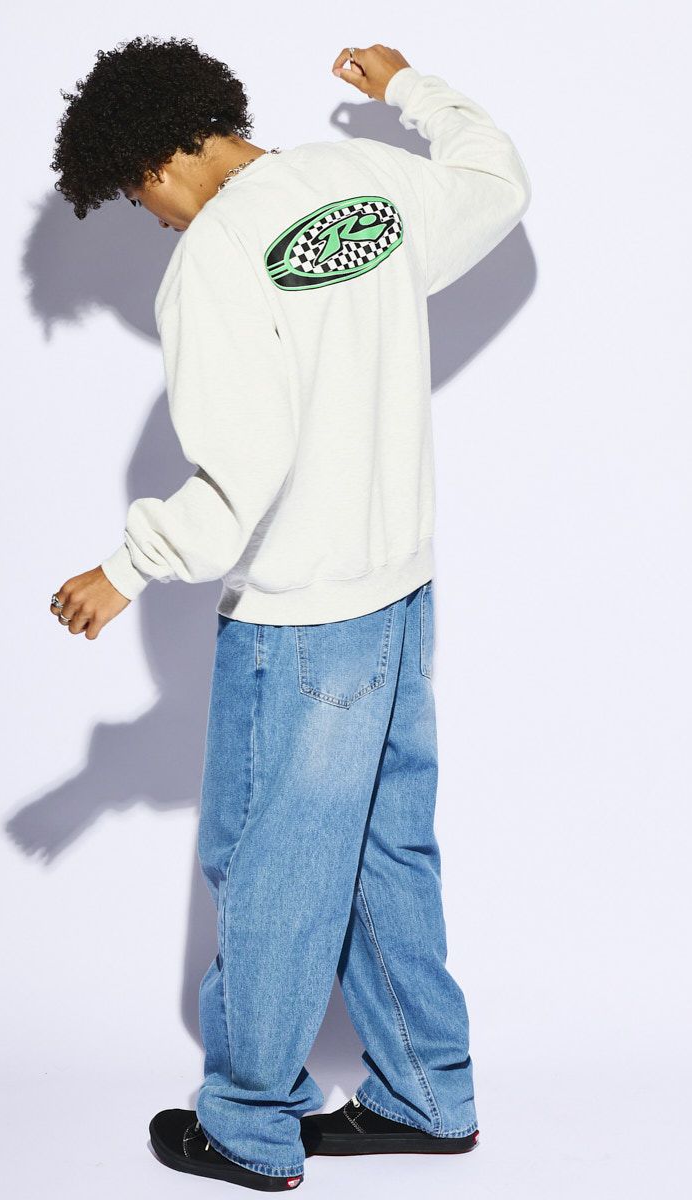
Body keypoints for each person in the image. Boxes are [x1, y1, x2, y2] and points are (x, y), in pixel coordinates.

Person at [49, 36, 530, 1192]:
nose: (153, 217)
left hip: (302, 618)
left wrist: (127, 566)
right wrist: (407, 89)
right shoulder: (363, 182)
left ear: (159, 157)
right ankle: (426, 1092)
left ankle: (250, 1124)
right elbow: (497, 181)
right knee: (381, 852)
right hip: (399, 595)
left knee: (272, 872)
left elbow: (242, 466)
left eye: (138, 196)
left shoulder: (215, 256)